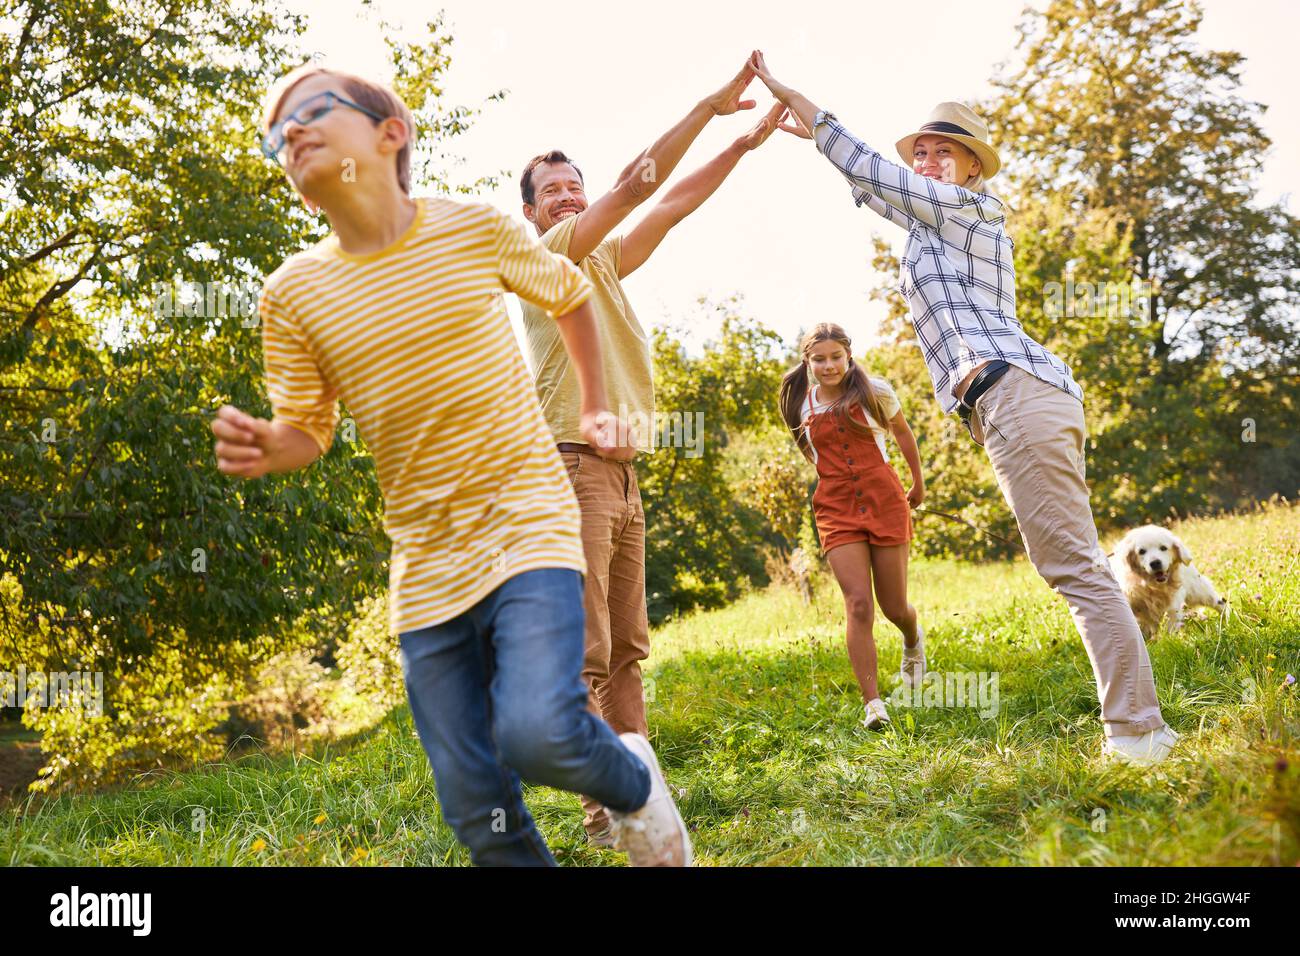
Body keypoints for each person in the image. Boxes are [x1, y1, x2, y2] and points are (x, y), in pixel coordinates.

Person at [210, 63, 691, 864]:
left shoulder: (471, 228)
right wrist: (274, 446)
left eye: (312, 111)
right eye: (277, 132)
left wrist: (599, 403)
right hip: (425, 568)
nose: (290, 132)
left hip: (530, 524)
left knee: (539, 732)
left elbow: (569, 294)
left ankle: (632, 782)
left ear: (389, 134)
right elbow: (309, 429)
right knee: (474, 800)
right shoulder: (292, 292)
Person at [749, 49, 1179, 766]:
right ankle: (1141, 726)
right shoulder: (933, 226)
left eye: (941, 150)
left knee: (1075, 569)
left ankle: (1138, 732)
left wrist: (801, 102)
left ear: (973, 165)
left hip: (1017, 393)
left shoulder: (974, 209)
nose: (925, 158)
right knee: (1074, 566)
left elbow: (871, 172)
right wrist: (825, 150)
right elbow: (879, 190)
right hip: (1015, 402)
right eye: (919, 150)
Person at [518, 63, 786, 844]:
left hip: (621, 474)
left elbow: (668, 201)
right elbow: (638, 184)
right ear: (536, 215)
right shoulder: (552, 258)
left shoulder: (602, 262)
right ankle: (601, 806)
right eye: (555, 191)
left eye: (576, 184)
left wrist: (739, 145)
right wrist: (705, 106)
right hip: (573, 462)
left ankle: (637, 790)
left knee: (628, 648)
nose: (570, 196)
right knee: (589, 650)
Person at [779, 323, 926, 729]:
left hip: (884, 497)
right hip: (836, 507)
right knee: (858, 603)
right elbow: (811, 452)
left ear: (848, 355)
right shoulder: (802, 405)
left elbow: (902, 433)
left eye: (835, 357)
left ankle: (912, 638)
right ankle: (873, 703)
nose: (828, 366)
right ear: (808, 362)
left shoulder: (875, 391)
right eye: (819, 359)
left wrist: (917, 482)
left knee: (894, 607)